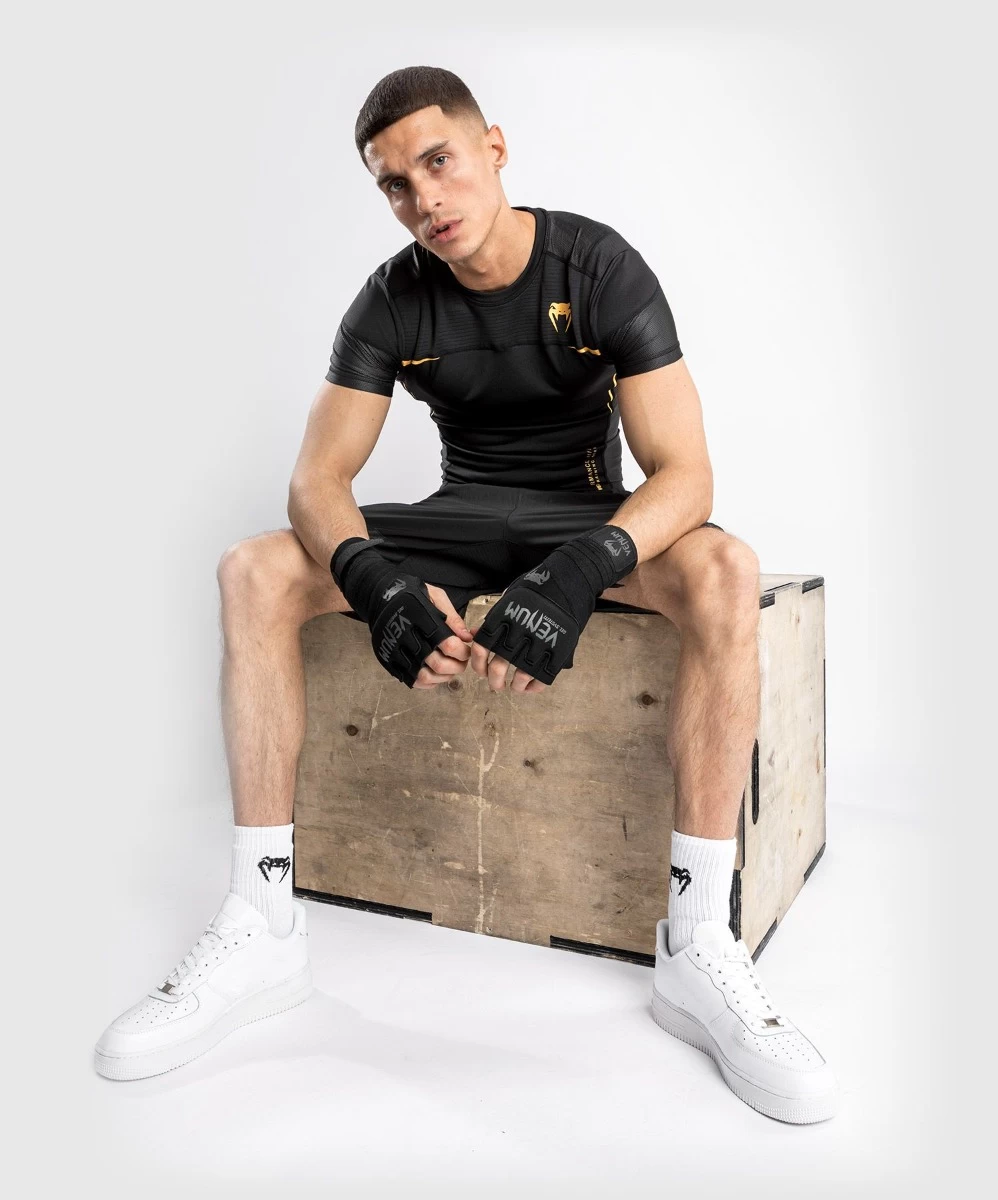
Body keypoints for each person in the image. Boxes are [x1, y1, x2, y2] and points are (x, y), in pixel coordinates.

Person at [94, 65, 838, 1123]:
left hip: (580, 514)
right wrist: (370, 580)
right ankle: (261, 924)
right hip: (460, 517)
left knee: (724, 567)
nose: (424, 199)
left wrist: (585, 567)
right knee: (252, 568)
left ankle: (697, 938)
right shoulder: (392, 296)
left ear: (494, 147)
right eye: (395, 184)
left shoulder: (598, 266)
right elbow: (317, 481)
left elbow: (687, 476)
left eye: (438, 161)